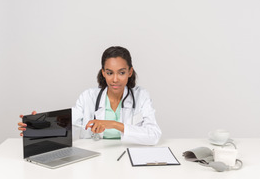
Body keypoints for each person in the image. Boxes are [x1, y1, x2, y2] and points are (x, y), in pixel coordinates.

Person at [18, 46, 161, 145]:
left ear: (130, 72)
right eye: (110, 73)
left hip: (126, 156)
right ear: (103, 73)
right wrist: (40, 123)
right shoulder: (88, 97)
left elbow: (154, 135)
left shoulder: (141, 96)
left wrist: (114, 124)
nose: (115, 79)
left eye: (121, 72)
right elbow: (67, 121)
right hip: (96, 158)